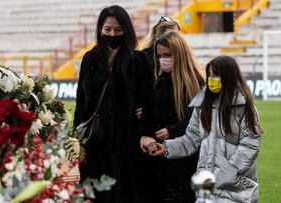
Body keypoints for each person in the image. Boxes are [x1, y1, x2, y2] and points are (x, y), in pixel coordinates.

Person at [148, 55, 261, 203]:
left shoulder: (244, 107)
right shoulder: (202, 105)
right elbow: (191, 139)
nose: (211, 79)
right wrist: (166, 148)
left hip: (236, 187)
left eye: (216, 75)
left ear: (229, 77)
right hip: (207, 185)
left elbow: (250, 143)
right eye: (209, 75)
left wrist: (229, 171)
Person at [74, 5, 154, 203]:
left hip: (128, 139)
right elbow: (81, 99)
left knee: (127, 191)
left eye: (118, 30)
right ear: (100, 29)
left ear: (126, 30)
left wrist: (144, 128)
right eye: (108, 29)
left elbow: (149, 101)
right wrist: (76, 134)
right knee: (96, 191)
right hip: (95, 140)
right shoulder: (90, 59)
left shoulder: (139, 59)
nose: (112, 34)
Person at [139, 31, 205, 202]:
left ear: (179, 54)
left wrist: (172, 130)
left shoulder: (197, 84)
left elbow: (199, 122)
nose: (162, 60)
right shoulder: (157, 83)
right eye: (159, 56)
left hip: (187, 160)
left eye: (167, 55)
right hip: (159, 158)